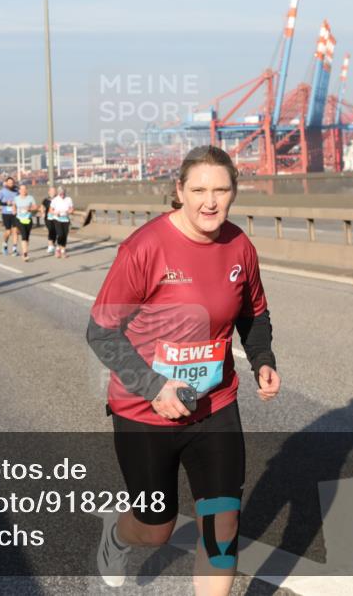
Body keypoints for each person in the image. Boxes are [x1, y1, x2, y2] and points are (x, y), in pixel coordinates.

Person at [86, 146, 280, 593]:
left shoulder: (239, 245)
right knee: (156, 527)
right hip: (144, 412)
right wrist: (155, 387)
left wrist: (263, 360)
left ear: (234, 192)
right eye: (198, 190)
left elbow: (254, 314)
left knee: (222, 530)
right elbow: (101, 332)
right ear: (179, 191)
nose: (209, 201)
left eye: (221, 190)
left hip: (216, 405)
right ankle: (117, 534)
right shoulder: (144, 247)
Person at [13, 184, 37, 262]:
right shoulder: (16, 198)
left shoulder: (30, 198)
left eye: (24, 189)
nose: (23, 191)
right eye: (21, 189)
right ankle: (25, 254)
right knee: (23, 235)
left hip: (28, 219)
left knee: (27, 237)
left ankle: (25, 251)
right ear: (19, 191)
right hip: (19, 219)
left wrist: (29, 208)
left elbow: (35, 207)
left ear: (26, 190)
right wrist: (14, 210)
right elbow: (14, 205)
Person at [0, 177, 19, 256]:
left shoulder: (16, 191)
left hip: (15, 213)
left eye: (12, 183)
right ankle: (5, 243)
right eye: (9, 183)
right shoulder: (2, 191)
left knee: (15, 231)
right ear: (6, 183)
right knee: (8, 232)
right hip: (6, 213)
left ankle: (15, 249)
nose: (11, 184)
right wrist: (6, 203)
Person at [50, 186, 73, 258]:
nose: (62, 195)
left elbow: (71, 209)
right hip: (57, 219)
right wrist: (55, 213)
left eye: (63, 193)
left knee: (64, 235)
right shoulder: (55, 200)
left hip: (66, 219)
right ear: (58, 193)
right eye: (60, 193)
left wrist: (70, 211)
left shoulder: (68, 199)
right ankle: (57, 249)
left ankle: (63, 251)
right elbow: (50, 210)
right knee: (60, 234)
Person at [40, 186, 57, 254]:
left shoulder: (58, 199)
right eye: (51, 191)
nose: (52, 192)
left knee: (55, 231)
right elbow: (42, 206)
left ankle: (52, 244)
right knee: (51, 230)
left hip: (56, 217)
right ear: (49, 192)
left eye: (54, 191)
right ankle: (50, 246)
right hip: (48, 218)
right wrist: (42, 212)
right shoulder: (46, 200)